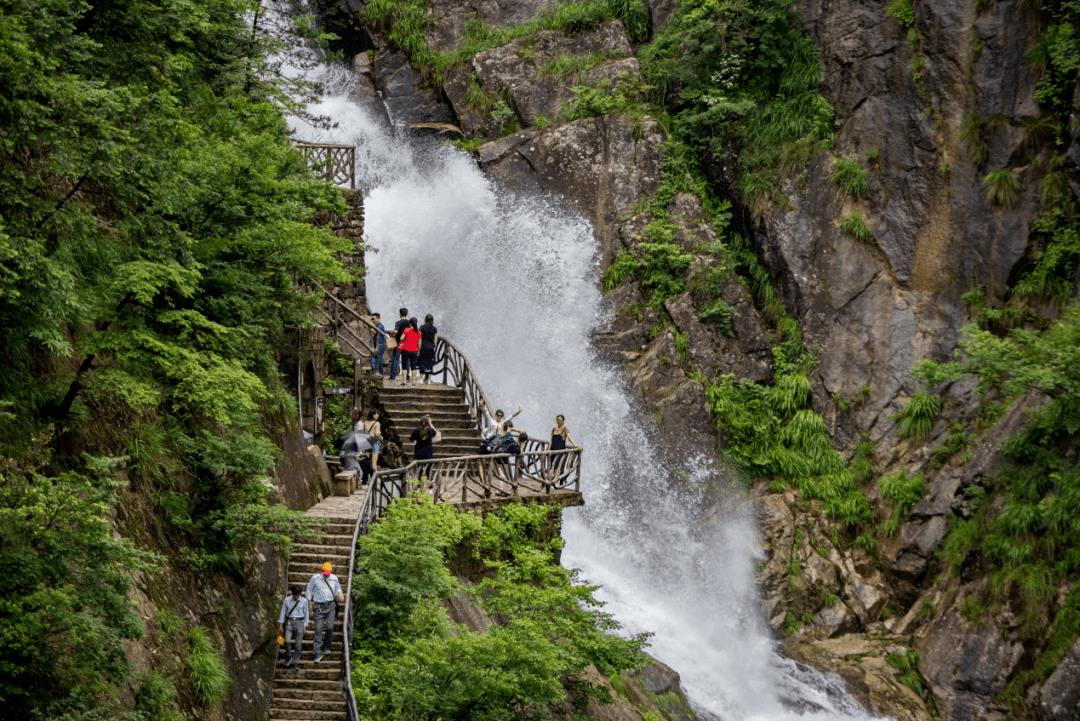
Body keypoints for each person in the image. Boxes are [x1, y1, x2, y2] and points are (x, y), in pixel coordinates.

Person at [306, 561, 343, 663]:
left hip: (331, 605)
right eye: (325, 574)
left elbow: (337, 588)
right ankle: (317, 652)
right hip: (319, 607)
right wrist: (309, 605)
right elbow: (309, 591)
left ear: (331, 572)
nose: (327, 576)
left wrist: (340, 594)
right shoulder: (315, 578)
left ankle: (326, 646)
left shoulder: (334, 578)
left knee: (330, 627)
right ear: (322, 571)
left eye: (328, 574)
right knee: (318, 629)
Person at [277, 585, 309, 671]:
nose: (296, 597)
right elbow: (283, 612)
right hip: (289, 623)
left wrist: (305, 626)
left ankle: (295, 662)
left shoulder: (304, 601)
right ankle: (288, 657)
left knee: (298, 645)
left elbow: (306, 614)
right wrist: (281, 625)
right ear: (292, 593)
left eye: (298, 595)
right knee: (287, 641)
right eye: (295, 595)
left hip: (300, 622)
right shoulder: (287, 600)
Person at [398, 317, 421, 386]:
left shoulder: (407, 329)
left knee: (404, 366)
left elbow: (401, 338)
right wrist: (418, 351)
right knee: (413, 367)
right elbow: (419, 343)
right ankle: (413, 382)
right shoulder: (419, 332)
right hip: (414, 351)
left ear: (410, 323)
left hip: (406, 350)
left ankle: (404, 382)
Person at [388, 308, 409, 382]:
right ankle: (407, 377)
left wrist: (392, 334)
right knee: (406, 361)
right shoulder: (409, 323)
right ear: (407, 314)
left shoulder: (398, 322)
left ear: (400, 314)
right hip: (407, 344)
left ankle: (392, 377)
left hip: (398, 344)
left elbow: (395, 332)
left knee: (395, 360)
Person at [418, 314, 439, 384]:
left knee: (422, 363)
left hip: (423, 348)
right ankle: (429, 380)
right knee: (429, 363)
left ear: (425, 320)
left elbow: (420, 340)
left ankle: (421, 379)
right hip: (431, 348)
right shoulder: (434, 329)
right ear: (432, 321)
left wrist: (419, 349)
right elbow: (435, 340)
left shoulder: (422, 327)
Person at [369, 313, 386, 377]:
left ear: (378, 319)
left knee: (379, 360)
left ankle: (381, 374)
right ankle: (374, 374)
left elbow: (376, 331)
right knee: (374, 360)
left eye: (373, 319)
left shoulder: (380, 326)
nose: (372, 320)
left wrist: (369, 328)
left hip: (380, 345)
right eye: (371, 319)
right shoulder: (376, 325)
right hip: (377, 345)